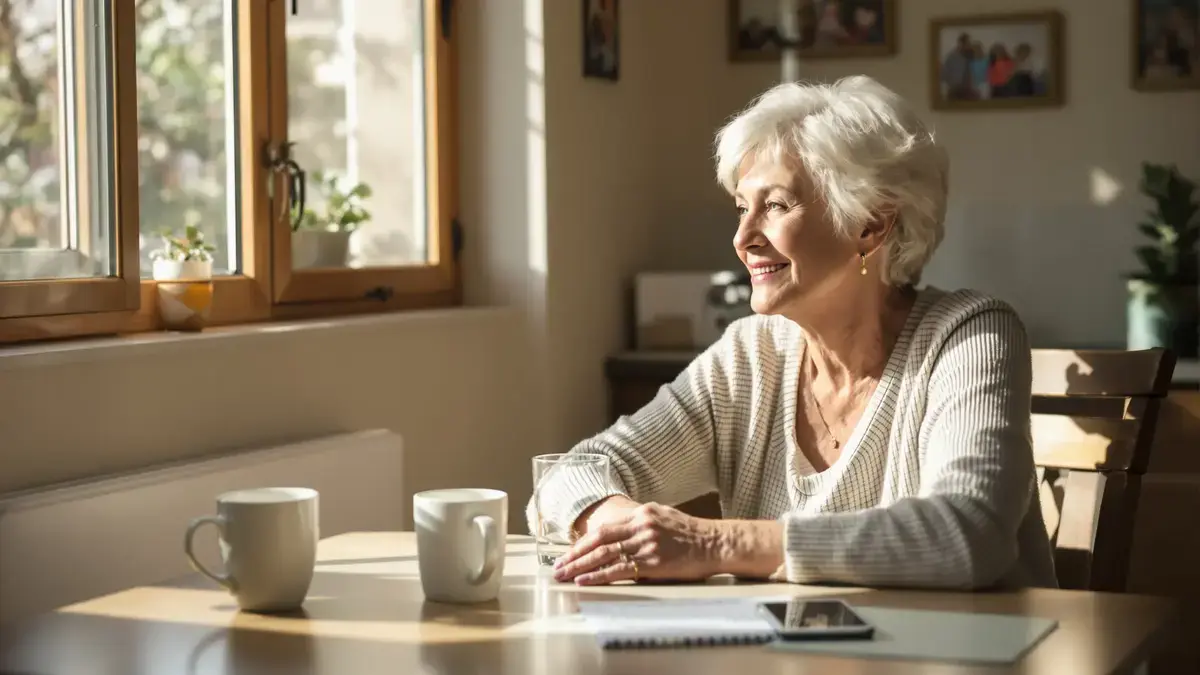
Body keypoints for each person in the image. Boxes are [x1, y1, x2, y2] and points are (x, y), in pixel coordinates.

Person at [529, 76, 1057, 591]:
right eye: (741, 207)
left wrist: (709, 544)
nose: (743, 238)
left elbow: (967, 534)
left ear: (871, 224)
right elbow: (567, 477)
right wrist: (626, 527)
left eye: (776, 206)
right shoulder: (749, 355)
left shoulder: (968, 336)